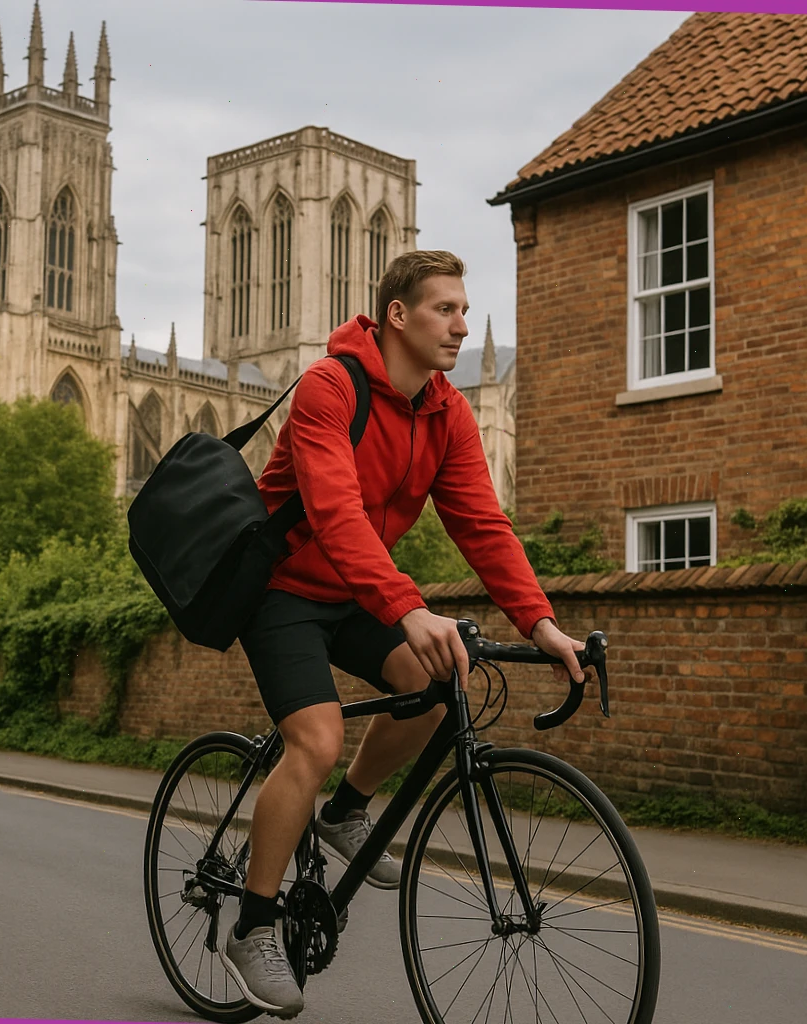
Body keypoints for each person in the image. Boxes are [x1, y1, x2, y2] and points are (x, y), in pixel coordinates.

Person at [218, 250, 586, 1018]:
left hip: (356, 588)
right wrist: (410, 607)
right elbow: (333, 514)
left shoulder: (446, 411)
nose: (460, 325)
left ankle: (348, 810)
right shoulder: (330, 386)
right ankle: (253, 926)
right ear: (397, 315)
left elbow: (483, 525)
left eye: (462, 309)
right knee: (314, 741)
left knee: (432, 681)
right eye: (444, 310)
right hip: (284, 588)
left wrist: (543, 624)